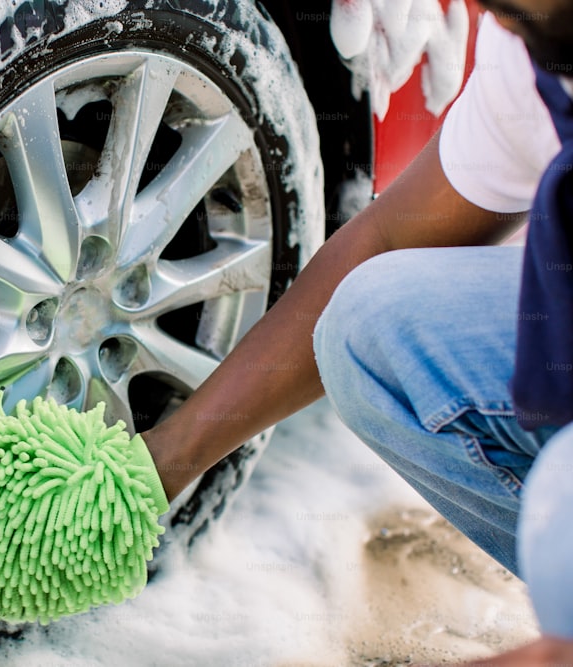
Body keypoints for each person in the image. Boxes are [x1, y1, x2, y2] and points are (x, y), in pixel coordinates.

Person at [139, 0, 573, 664]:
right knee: (372, 322)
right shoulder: (532, 50)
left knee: (561, 499)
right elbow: (389, 235)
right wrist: (167, 457)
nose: (489, 15)